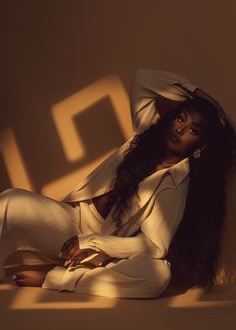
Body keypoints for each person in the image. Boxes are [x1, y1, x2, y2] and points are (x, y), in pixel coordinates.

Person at [0, 69, 236, 298]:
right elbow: (145, 80)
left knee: (158, 275)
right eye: (180, 119)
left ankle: (58, 277)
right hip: (72, 222)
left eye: (192, 130)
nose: (180, 129)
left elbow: (155, 247)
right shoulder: (145, 135)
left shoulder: (174, 185)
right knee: (11, 200)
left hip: (101, 253)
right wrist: (201, 96)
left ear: (201, 146)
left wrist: (93, 242)